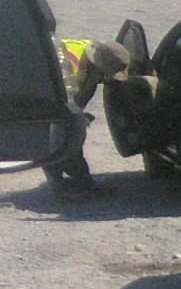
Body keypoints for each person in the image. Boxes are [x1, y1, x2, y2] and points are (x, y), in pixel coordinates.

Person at [43, 34, 128, 196]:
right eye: (106, 73)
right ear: (98, 65)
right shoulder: (67, 66)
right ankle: (57, 185)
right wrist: (77, 116)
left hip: (63, 97)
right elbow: (62, 103)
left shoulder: (94, 51)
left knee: (73, 137)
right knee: (58, 139)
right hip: (49, 96)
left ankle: (82, 180)